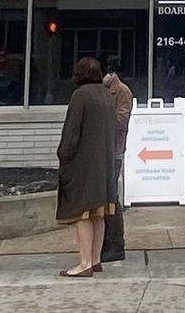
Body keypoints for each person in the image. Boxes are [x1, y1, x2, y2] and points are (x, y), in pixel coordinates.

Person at [56, 57, 117, 278]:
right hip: (105, 161)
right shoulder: (107, 95)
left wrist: (63, 154)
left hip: (84, 162)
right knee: (99, 212)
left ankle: (84, 263)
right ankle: (95, 258)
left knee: (83, 213)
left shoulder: (80, 96)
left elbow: (72, 133)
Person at [100, 56, 133, 263]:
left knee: (111, 198)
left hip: (113, 151)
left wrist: (100, 115)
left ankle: (115, 244)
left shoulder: (122, 92)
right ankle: (103, 242)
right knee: (101, 199)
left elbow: (122, 120)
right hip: (99, 150)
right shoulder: (98, 90)